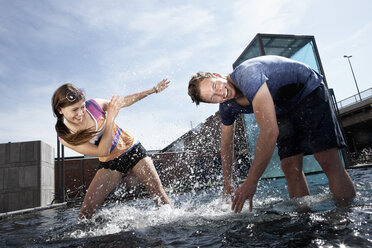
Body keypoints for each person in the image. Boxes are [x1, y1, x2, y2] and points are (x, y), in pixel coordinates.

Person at [188, 55, 356, 213]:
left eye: (215, 85)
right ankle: (305, 220)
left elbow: (269, 131)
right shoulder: (227, 107)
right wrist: (228, 184)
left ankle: (344, 217)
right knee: (290, 167)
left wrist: (251, 181)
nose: (219, 94)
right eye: (212, 98)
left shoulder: (248, 74)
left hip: (308, 90)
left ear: (218, 75)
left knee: (326, 159)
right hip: (282, 108)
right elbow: (226, 145)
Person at [52, 79, 171, 219]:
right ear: (60, 110)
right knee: (85, 213)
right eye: (74, 110)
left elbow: (123, 102)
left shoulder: (94, 105)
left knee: (158, 194)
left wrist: (152, 90)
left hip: (132, 149)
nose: (80, 113)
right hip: (110, 162)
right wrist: (110, 119)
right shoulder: (66, 136)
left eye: (82, 107)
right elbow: (102, 151)